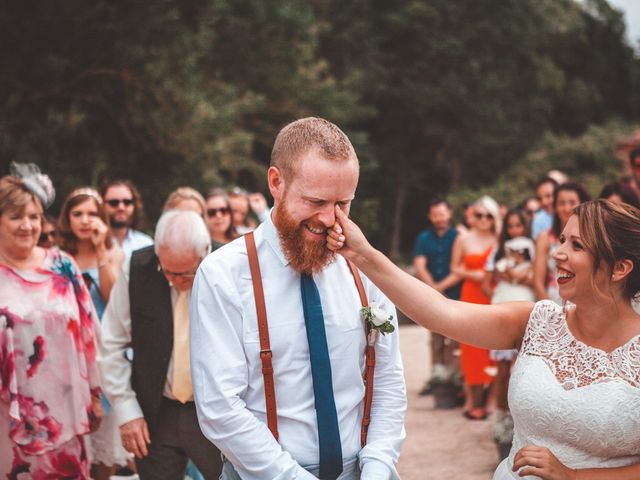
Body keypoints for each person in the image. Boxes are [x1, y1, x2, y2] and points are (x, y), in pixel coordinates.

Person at [328, 199, 640, 479]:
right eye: (561, 241)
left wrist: (573, 477)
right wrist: (363, 254)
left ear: (620, 268)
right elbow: (441, 313)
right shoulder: (537, 321)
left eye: (577, 246)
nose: (557, 254)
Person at [191, 117, 406, 479]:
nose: (329, 219)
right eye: (316, 201)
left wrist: (378, 467)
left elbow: (387, 381)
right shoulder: (222, 274)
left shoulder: (364, 266)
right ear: (276, 182)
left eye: (343, 203)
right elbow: (219, 408)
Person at [99, 209, 223, 479]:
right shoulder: (138, 268)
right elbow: (111, 342)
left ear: (206, 251)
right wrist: (126, 409)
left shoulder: (230, 267)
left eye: (185, 274)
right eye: (167, 271)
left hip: (216, 411)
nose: (174, 281)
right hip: (155, 411)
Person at [0, 164, 102, 477]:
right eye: (16, 216)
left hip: (66, 411)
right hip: (7, 419)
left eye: (33, 216)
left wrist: (96, 395)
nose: (27, 225)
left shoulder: (62, 265)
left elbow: (89, 334)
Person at [57, 187, 128, 478]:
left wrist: (100, 252)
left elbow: (114, 300)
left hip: (104, 351)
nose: (85, 221)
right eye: (78, 214)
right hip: (68, 353)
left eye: (92, 214)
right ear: (67, 218)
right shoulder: (58, 256)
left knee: (105, 440)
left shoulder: (114, 253)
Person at [481, 208, 535, 457]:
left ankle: (526, 422)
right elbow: (487, 281)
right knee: (502, 369)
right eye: (510, 226)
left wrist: (517, 274)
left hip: (526, 303)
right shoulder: (497, 251)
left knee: (527, 366)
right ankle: (502, 419)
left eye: (518, 226)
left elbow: (531, 277)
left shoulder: (533, 248)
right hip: (503, 301)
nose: (515, 230)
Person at [444, 195, 500, 420]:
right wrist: (476, 275)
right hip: (470, 294)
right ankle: (471, 398)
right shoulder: (464, 240)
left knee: (495, 347)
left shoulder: (499, 239)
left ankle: (492, 400)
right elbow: (455, 268)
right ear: (472, 216)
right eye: (479, 214)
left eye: (489, 215)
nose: (484, 219)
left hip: (493, 295)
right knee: (470, 347)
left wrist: (486, 278)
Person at [412, 198, 461, 395]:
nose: (439, 218)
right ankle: (437, 378)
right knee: (435, 338)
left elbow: (460, 267)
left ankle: (454, 378)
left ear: (449, 213)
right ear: (430, 216)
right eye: (435, 214)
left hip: (456, 293)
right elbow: (419, 264)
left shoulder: (459, 236)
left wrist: (440, 287)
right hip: (431, 293)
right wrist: (432, 288)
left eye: (442, 214)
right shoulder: (424, 238)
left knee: (455, 338)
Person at [533, 183, 591, 305]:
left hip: (582, 301)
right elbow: (538, 282)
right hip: (552, 299)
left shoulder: (590, 237)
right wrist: (549, 311)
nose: (566, 208)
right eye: (561, 203)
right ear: (554, 207)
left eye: (572, 202)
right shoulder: (545, 237)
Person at [100, 180, 153, 259]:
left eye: (127, 202)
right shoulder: (91, 245)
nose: (121, 207)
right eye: (114, 202)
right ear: (101, 205)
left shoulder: (146, 244)